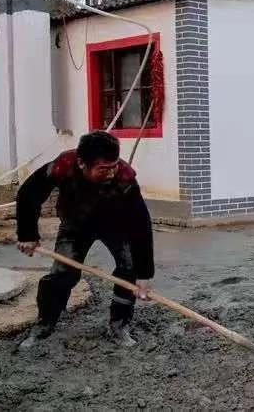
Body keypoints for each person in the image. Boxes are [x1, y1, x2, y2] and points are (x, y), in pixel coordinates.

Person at [15, 131, 154, 349]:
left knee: (130, 270)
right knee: (63, 273)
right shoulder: (63, 166)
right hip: (76, 224)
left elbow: (141, 225)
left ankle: (119, 325)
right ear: (82, 163)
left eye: (114, 166)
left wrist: (144, 274)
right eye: (104, 169)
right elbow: (28, 193)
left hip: (116, 225)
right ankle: (45, 323)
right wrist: (27, 235)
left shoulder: (125, 178)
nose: (111, 173)